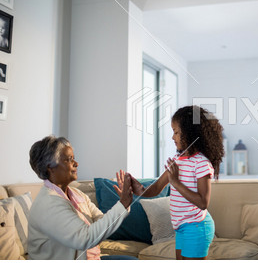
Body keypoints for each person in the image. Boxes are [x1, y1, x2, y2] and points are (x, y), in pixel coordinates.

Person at [118, 105, 224, 260]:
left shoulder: (201, 163)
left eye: (176, 132)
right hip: (181, 227)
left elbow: (203, 202)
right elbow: (156, 188)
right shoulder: (177, 160)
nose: (172, 137)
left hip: (197, 227)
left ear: (189, 133)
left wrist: (176, 183)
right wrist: (137, 189)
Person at [28, 135, 135, 260]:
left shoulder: (77, 194)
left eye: (74, 158)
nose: (76, 164)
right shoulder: (48, 204)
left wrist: (123, 203)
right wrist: (123, 204)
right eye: (69, 159)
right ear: (50, 167)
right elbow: (86, 239)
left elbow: (100, 221)